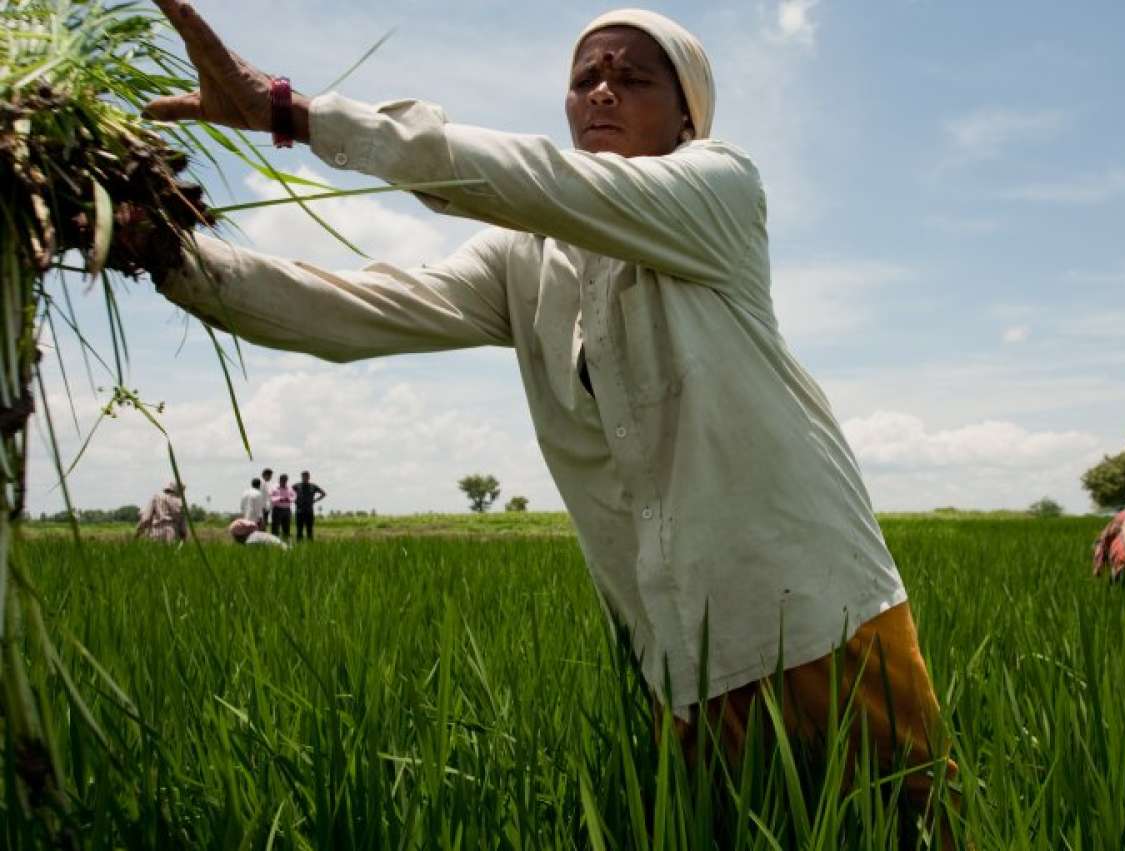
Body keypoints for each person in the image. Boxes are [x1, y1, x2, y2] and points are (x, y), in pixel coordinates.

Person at [142, 2, 954, 835]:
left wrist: (288, 111)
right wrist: (165, 249)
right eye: (585, 80)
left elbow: (534, 180)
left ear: (686, 117)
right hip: (682, 650)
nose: (602, 92)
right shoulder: (525, 257)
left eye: (633, 79)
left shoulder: (718, 190)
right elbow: (359, 310)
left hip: (815, 613)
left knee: (909, 829)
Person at [291, 470, 327, 542]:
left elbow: (323, 494)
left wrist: (315, 500)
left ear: (309, 477)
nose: (305, 477)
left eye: (306, 476)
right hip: (299, 511)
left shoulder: (313, 486)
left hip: (309, 511)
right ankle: (298, 545)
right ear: (301, 477)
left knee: (309, 530)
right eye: (303, 476)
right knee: (299, 530)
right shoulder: (297, 485)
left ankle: (310, 545)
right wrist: (293, 500)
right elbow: (288, 492)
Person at [270, 473, 294, 539]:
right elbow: (271, 498)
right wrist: (279, 498)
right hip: (277, 509)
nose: (284, 481)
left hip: (287, 510)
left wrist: (289, 499)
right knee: (275, 528)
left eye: (285, 480)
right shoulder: (274, 488)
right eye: (282, 480)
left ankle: (286, 542)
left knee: (287, 527)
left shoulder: (290, 488)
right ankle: (274, 542)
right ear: (279, 480)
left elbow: (294, 497)